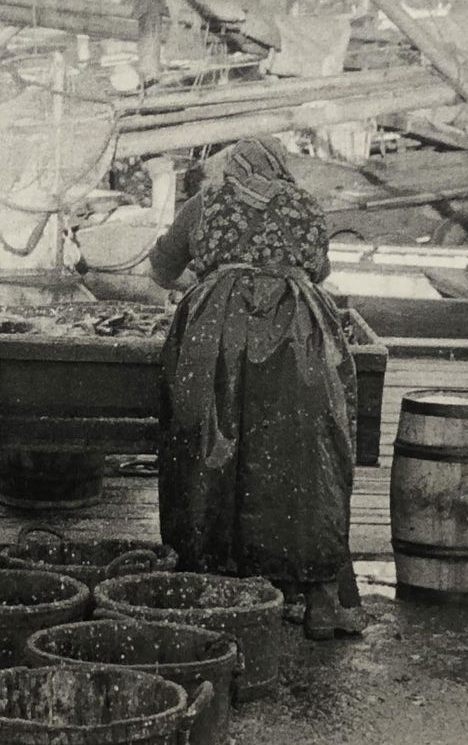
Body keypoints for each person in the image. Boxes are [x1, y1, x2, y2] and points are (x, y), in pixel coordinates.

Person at [147, 136, 363, 639]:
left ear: (232, 169)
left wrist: (209, 281)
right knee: (305, 462)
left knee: (205, 457)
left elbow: (159, 271)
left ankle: (211, 588)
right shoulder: (306, 205)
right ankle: (319, 604)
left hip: (215, 334)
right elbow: (318, 271)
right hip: (299, 338)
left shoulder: (205, 203)